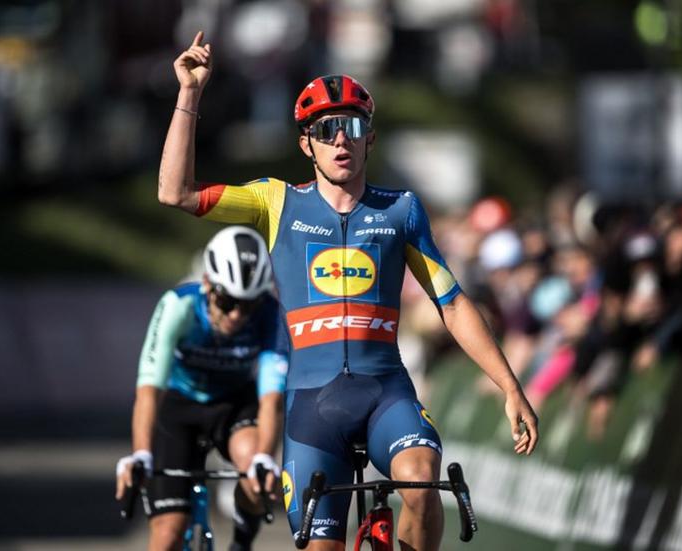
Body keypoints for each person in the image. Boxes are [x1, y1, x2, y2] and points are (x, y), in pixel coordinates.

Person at [157, 31, 539, 551]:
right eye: (326, 128)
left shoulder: (401, 209)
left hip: (386, 394)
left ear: (370, 139)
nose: (341, 139)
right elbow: (174, 192)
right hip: (311, 407)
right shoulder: (276, 202)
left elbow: (450, 303)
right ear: (305, 143)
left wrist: (510, 387)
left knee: (424, 483)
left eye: (353, 127)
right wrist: (190, 93)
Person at [115, 225, 288, 551]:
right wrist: (140, 453)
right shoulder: (178, 306)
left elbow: (272, 397)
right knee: (168, 534)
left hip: (234, 404)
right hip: (180, 405)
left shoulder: (269, 313)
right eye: (227, 301)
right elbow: (149, 390)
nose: (237, 315)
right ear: (207, 284)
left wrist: (265, 456)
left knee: (254, 469)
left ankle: (241, 542)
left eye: (248, 305)